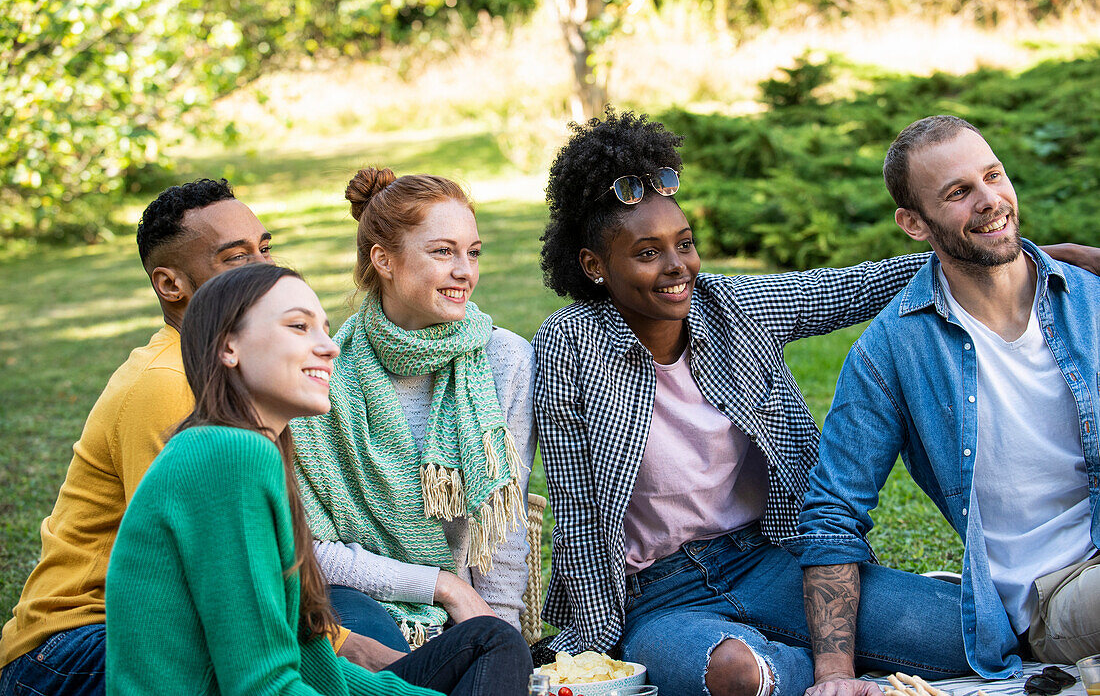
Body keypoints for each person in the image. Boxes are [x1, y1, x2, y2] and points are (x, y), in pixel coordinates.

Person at [531, 109, 987, 696]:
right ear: (595, 266)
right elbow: (577, 512)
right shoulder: (570, 347)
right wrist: (590, 640)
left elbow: (861, 286)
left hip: (770, 559)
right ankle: (823, 657)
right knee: (736, 675)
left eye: (684, 245)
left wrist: (1031, 256)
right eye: (647, 253)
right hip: (662, 597)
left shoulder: (733, 307)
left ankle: (851, 634)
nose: (677, 268)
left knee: (972, 635)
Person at [790, 116, 1099, 690]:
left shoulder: (1089, 298)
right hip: (1053, 593)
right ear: (913, 223)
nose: (990, 201)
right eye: (959, 193)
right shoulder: (892, 353)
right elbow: (833, 510)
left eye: (993, 175)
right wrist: (834, 672)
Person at [105, 262, 441, 695]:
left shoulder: (248, 451)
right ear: (229, 347)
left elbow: (309, 662)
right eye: (299, 326)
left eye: (324, 328)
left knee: (488, 641)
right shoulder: (226, 457)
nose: (329, 347)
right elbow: (262, 687)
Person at [0, 179, 274, 695]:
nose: (266, 271)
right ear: (172, 285)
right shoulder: (170, 385)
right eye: (236, 258)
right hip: (71, 644)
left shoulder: (229, 368)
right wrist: (340, 642)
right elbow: (208, 566)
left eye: (265, 248)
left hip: (156, 624)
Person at [289, 168, 534, 693]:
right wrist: (441, 586)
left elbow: (504, 529)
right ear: (384, 260)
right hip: (357, 603)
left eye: (474, 252)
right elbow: (310, 547)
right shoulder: (324, 374)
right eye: (443, 252)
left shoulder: (505, 359)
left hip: (467, 616)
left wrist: (500, 630)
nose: (464, 271)